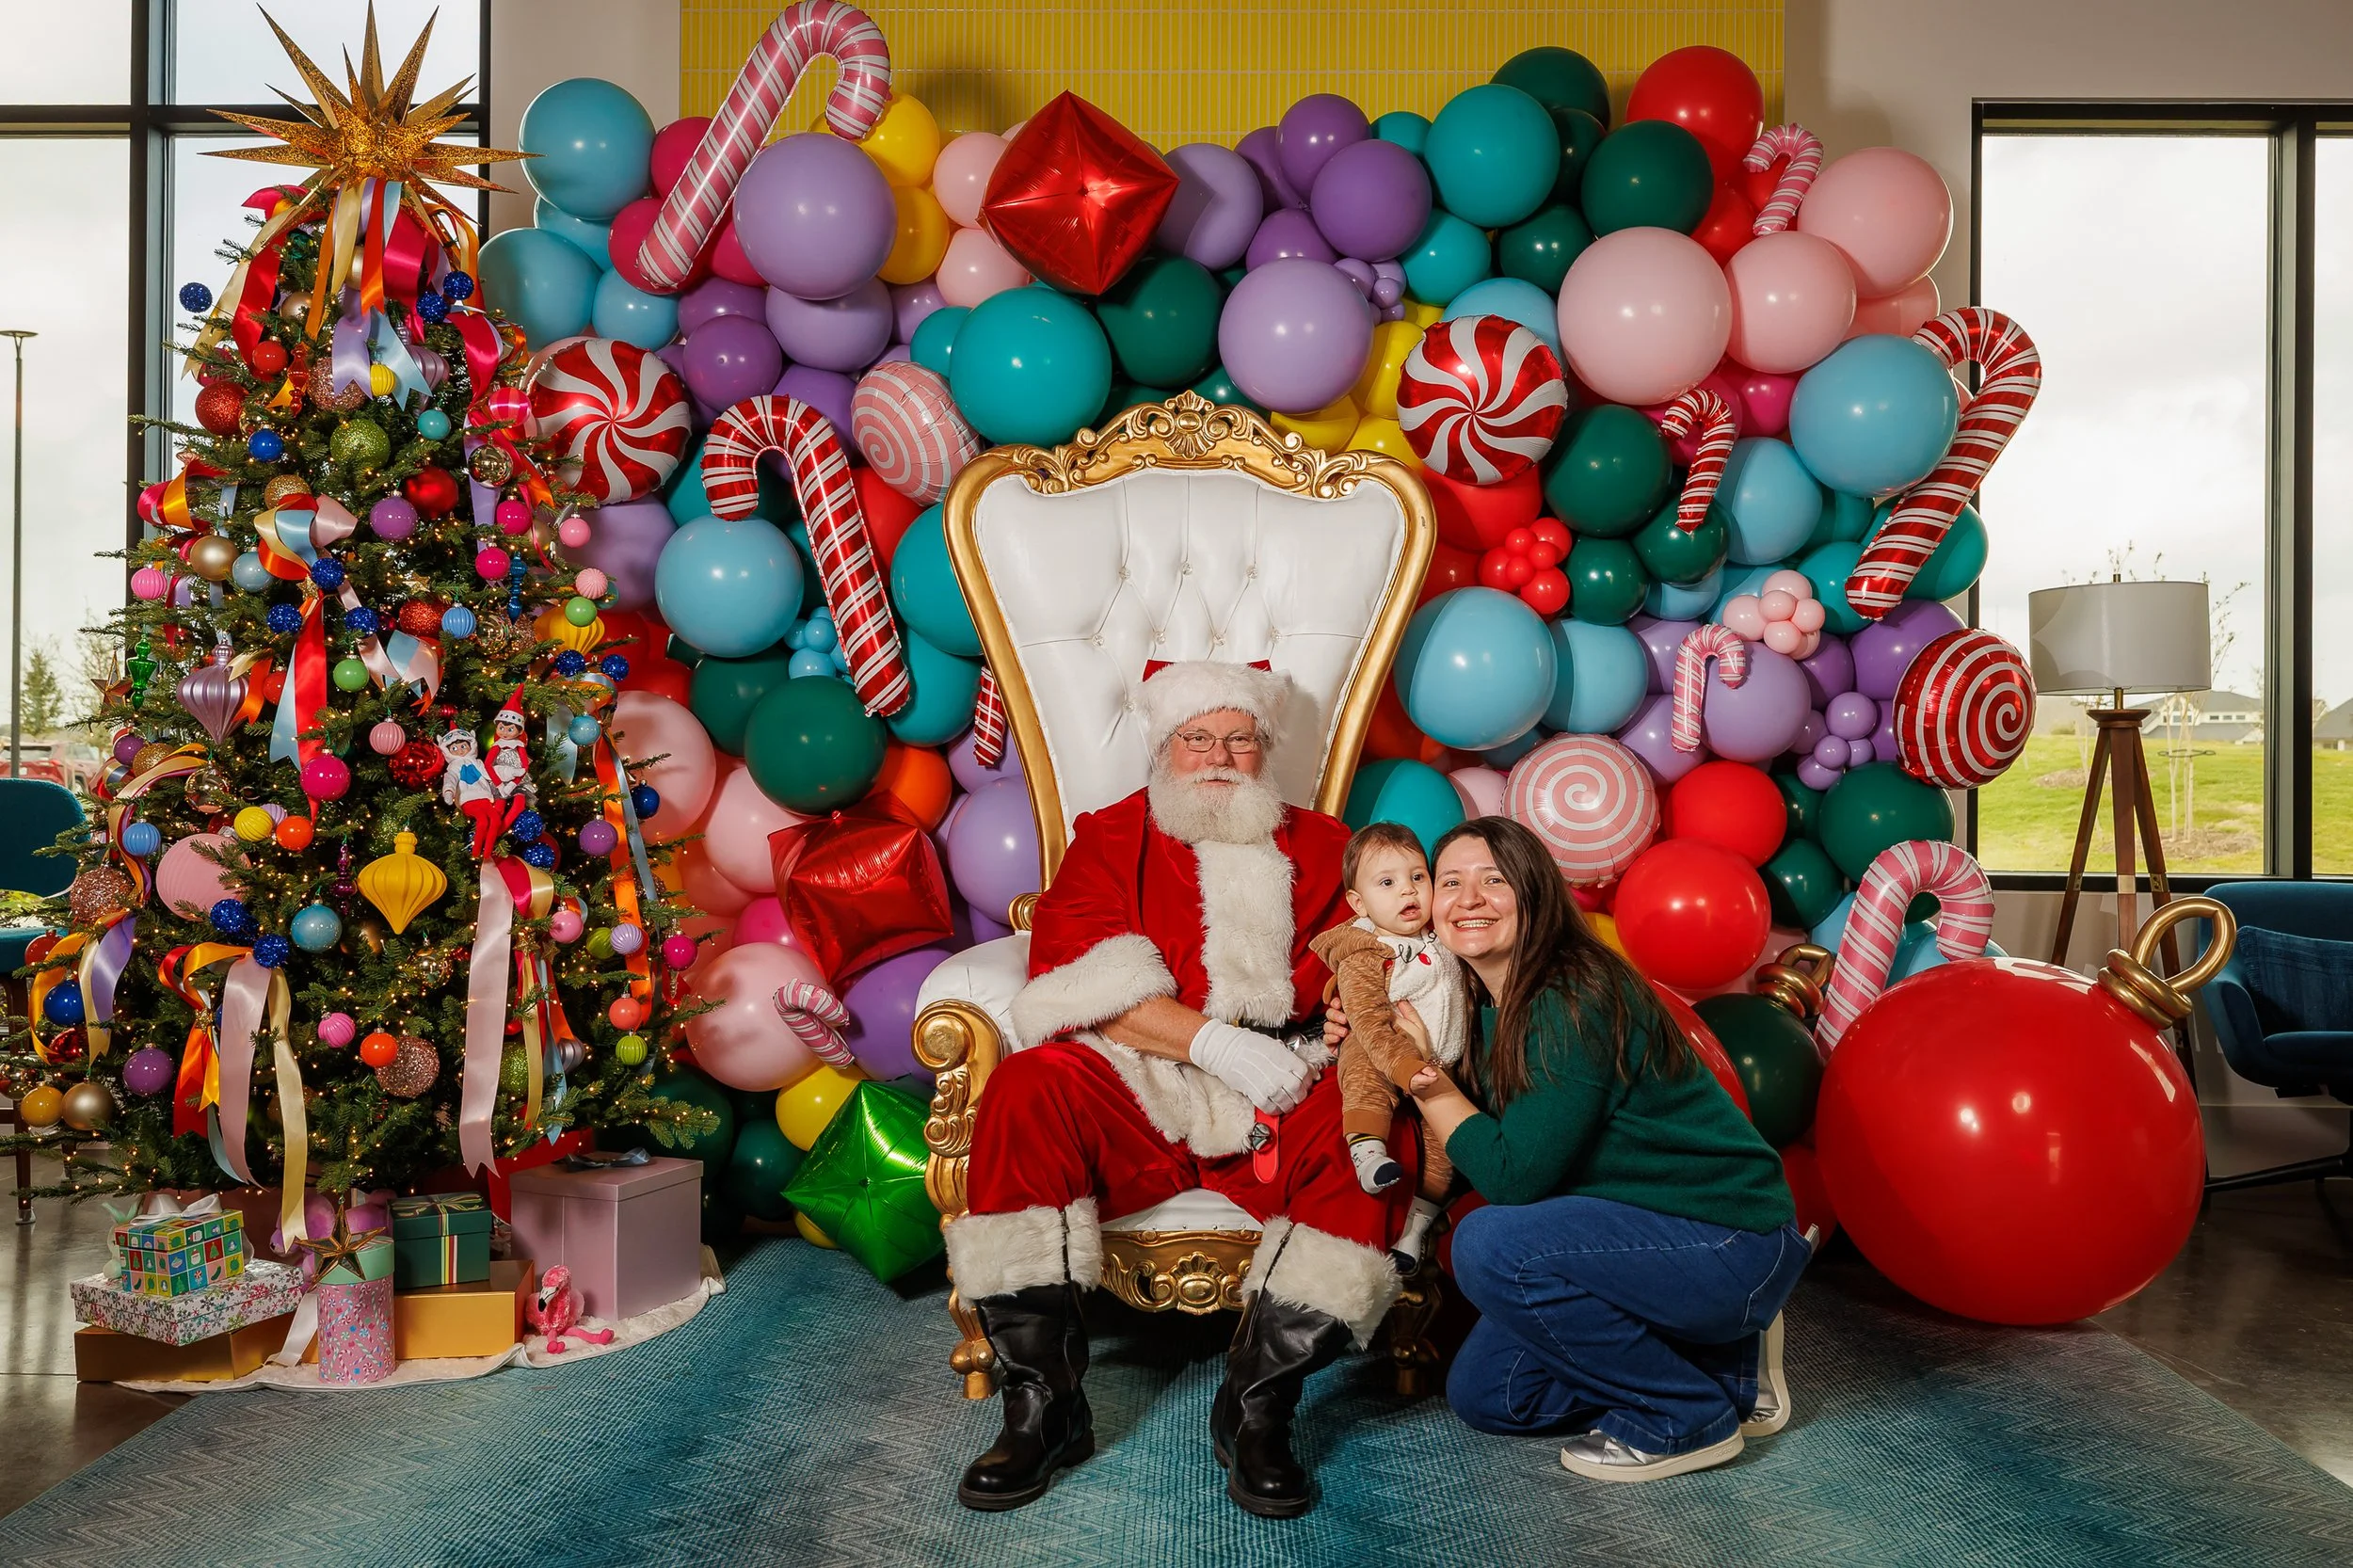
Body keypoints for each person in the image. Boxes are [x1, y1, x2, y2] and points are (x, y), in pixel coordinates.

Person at [942, 660, 1410, 1519]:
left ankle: (1259, 1408)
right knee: (1026, 1086)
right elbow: (1077, 978)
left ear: (1265, 749)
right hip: (1142, 1081)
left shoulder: (1323, 843)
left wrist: (1359, 1005)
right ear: (1165, 746)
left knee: (1377, 1140)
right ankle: (1043, 1408)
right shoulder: (1111, 836)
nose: (1219, 756)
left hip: (1286, 1083)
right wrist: (1212, 1042)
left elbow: (1378, 948)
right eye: (1198, 737)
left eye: (1239, 739)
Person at [1339, 816, 1810, 1483]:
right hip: (1630, 1230)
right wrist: (1363, 1030)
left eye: (1493, 881)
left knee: (1488, 1242)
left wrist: (1426, 1080)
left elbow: (1513, 1177)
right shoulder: (1477, 1005)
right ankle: (1721, 1361)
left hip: (1726, 1237)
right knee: (1491, 1397)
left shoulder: (1572, 995)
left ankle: (1685, 1415)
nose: (1468, 899)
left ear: (1532, 894)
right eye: (1450, 882)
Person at [1308, 820, 1466, 1272]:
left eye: (1418, 877)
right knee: (1361, 1068)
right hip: (1384, 1052)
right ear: (1359, 903)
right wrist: (1403, 1065)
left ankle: (1415, 1231)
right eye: (1387, 883)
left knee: (1444, 1149)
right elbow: (1369, 1020)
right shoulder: (1366, 951)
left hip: (1441, 1058)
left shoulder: (1442, 936)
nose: (1408, 891)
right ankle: (1368, 1151)